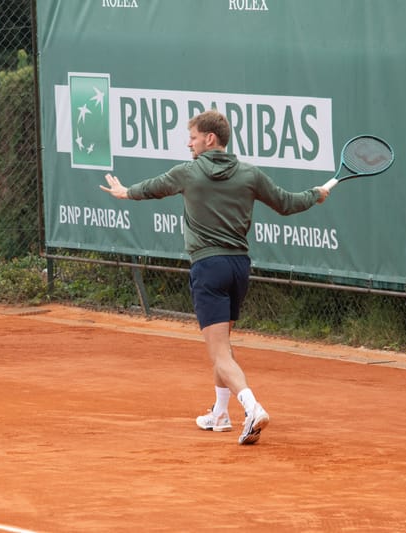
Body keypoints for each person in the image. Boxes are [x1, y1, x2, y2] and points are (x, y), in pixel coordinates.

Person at [100, 109, 329, 445]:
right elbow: (286, 203)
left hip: (208, 267)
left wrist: (125, 192)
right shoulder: (250, 174)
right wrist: (316, 195)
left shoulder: (189, 173)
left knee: (219, 351)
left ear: (210, 138)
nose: (188, 144)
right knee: (222, 345)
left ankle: (252, 408)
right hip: (238, 268)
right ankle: (219, 414)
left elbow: (153, 188)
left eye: (192, 138)